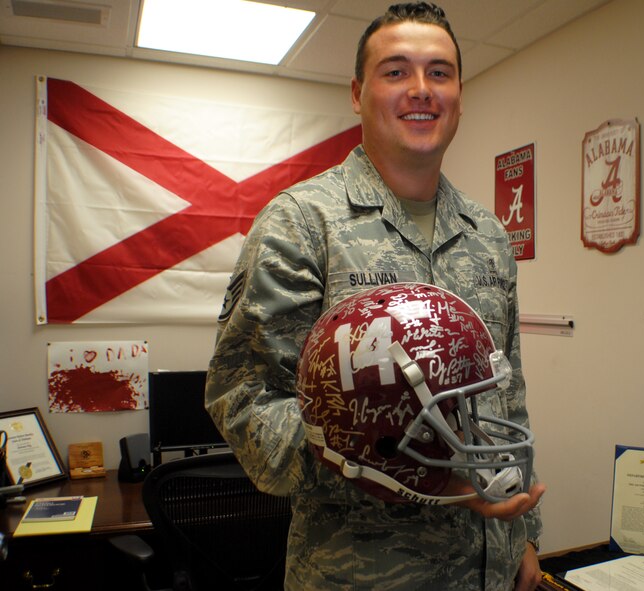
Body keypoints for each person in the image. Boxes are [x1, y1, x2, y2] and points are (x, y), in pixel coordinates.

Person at [206, 3, 545, 590]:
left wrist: (526, 535)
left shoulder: (488, 235)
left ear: (460, 94)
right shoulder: (300, 224)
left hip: (490, 571)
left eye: (439, 73)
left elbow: (504, 393)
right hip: (364, 575)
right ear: (358, 94)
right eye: (396, 71)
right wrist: (408, 464)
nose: (421, 90)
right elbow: (243, 399)